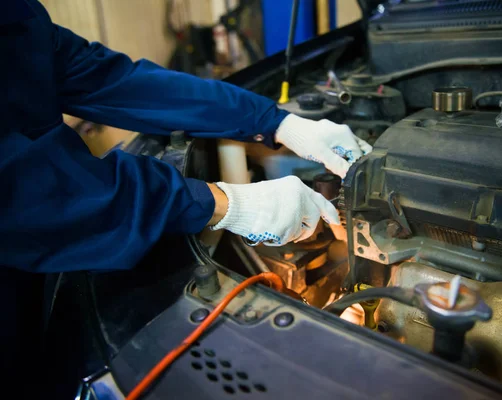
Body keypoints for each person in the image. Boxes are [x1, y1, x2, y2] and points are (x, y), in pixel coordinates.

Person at [0, 0, 372, 390]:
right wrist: (222, 203)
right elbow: (21, 190)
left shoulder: (16, 14)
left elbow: (116, 82)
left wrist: (279, 122)